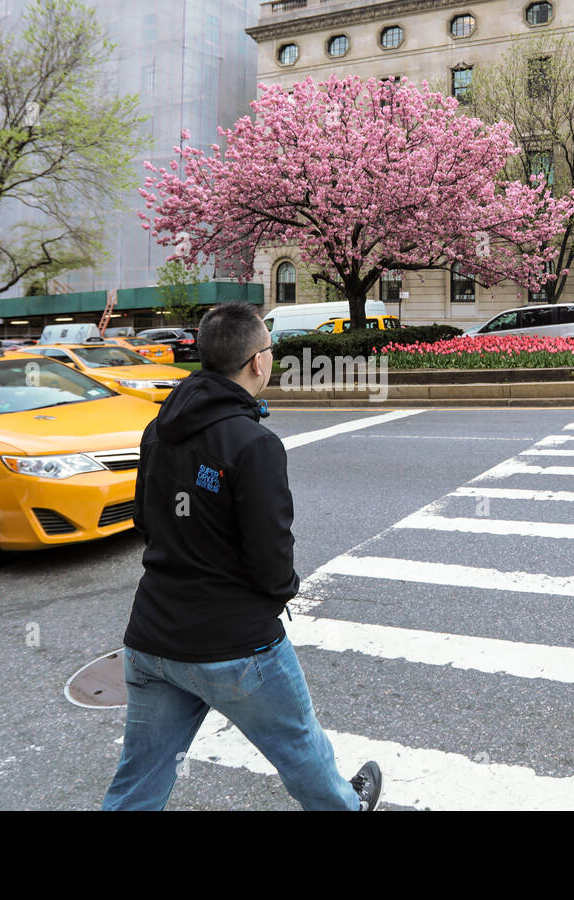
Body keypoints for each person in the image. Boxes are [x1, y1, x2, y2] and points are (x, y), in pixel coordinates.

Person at [102, 301, 383, 812]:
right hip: (237, 646)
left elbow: (145, 521)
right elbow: (270, 558)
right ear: (258, 361)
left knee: (139, 779)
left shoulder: (157, 430)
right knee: (300, 748)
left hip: (153, 638)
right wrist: (281, 592)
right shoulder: (254, 444)